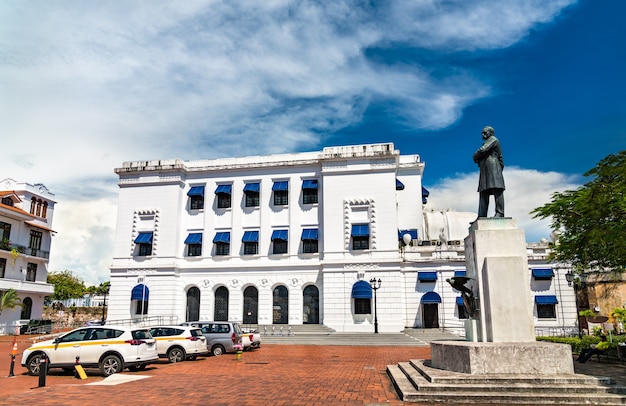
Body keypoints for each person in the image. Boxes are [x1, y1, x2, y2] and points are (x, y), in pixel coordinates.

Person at [473, 126, 505, 218]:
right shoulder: (488, 141)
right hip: (485, 170)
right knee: (483, 192)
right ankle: (481, 215)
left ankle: (500, 213)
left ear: (490, 133)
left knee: (497, 189)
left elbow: (483, 150)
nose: (483, 135)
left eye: (485, 132)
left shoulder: (493, 139)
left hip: (493, 168)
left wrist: (475, 156)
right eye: (482, 133)